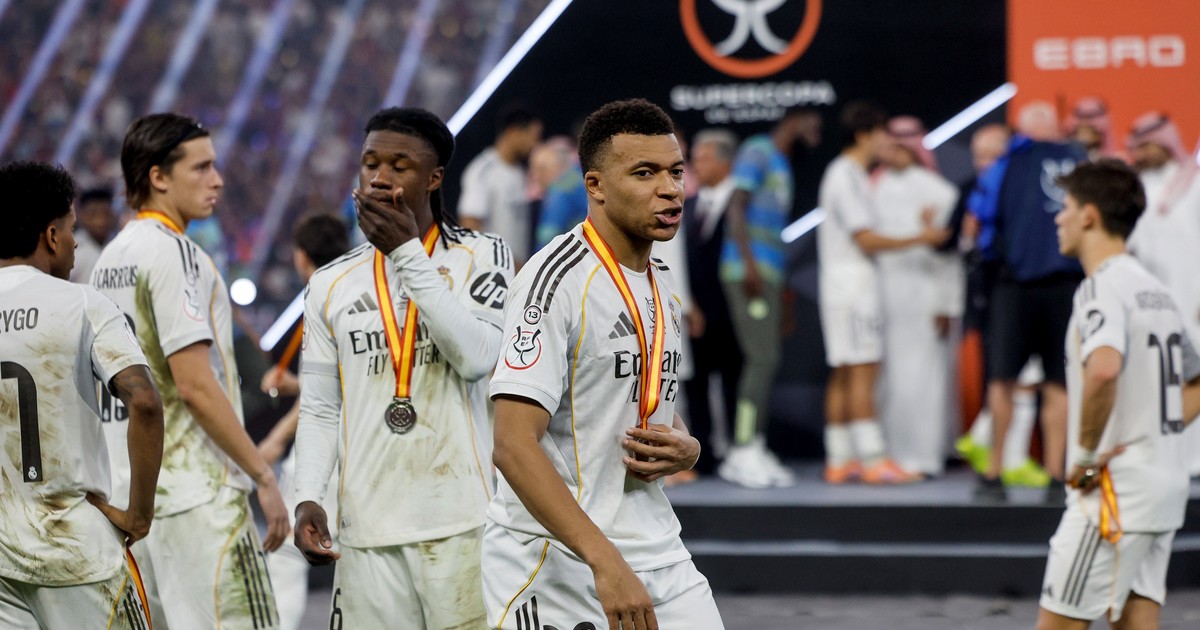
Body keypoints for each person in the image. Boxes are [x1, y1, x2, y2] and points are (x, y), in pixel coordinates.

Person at [485, 98, 722, 630]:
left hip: (657, 546)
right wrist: (605, 561)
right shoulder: (553, 281)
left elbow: (634, 401)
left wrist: (686, 445)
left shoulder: (662, 284)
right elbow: (513, 445)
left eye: (675, 172)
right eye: (645, 173)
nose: (670, 188)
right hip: (557, 559)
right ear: (595, 185)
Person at [293, 107, 510, 628]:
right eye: (370, 163)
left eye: (399, 165)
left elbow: (477, 358)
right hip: (367, 531)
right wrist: (307, 497)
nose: (379, 177)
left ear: (434, 178)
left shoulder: (483, 255)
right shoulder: (329, 282)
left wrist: (408, 253)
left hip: (462, 524)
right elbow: (320, 408)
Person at [93, 113, 289, 628]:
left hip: (133, 500)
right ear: (158, 177)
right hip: (199, 496)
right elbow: (194, 386)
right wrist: (262, 474)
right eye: (201, 167)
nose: (217, 180)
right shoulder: (177, 253)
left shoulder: (109, 258)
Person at [1037, 159, 1200, 630]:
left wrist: (1086, 456)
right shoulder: (1156, 290)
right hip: (1163, 489)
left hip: (1113, 495)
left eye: (1066, 207)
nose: (1059, 218)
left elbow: (1104, 369)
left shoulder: (1101, 289)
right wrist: (1154, 433)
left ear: (1089, 216)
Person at [0, 161, 162, 628]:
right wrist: (138, 516)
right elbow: (145, 402)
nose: (76, 243)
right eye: (71, 229)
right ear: (51, 236)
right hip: (76, 549)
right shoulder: (83, 303)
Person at [816, 101, 946, 485]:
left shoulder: (851, 174)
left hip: (844, 286)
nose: (887, 143)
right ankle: (873, 459)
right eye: (881, 135)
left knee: (844, 371)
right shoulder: (845, 176)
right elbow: (867, 239)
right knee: (862, 371)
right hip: (854, 288)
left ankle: (840, 459)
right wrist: (922, 237)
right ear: (863, 136)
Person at [970, 101, 1087, 503]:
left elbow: (981, 216)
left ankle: (993, 475)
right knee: (1058, 382)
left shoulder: (1007, 163)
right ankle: (1056, 476)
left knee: (1002, 380)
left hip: (1014, 285)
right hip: (1066, 285)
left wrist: (992, 259)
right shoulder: (1080, 162)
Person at [715, 107, 821, 488]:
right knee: (761, 359)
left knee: (767, 360)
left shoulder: (782, 163)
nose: (816, 132)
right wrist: (750, 265)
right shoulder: (758, 150)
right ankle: (742, 449)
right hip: (748, 272)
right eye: (812, 124)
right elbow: (736, 205)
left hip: (770, 274)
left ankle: (754, 445)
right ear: (793, 119)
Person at [258, 213, 350, 630]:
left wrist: (277, 438)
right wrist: (295, 384)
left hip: (324, 452)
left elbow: (324, 398)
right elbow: (341, 381)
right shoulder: (356, 289)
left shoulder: (321, 296)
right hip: (364, 449)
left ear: (301, 257)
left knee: (285, 553)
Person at [872, 116, 961, 477]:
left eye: (907, 141)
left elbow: (949, 257)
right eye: (893, 140)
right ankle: (887, 455)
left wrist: (946, 304)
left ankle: (923, 457)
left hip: (924, 300)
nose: (899, 148)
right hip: (880, 300)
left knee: (922, 379)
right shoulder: (872, 189)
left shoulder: (938, 191)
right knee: (886, 381)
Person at [1124, 112, 1200, 476]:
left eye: (1148, 146)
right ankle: (1162, 456)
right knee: (1152, 379)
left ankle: (1194, 460)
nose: (1141, 154)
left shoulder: (1195, 184)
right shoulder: (1136, 189)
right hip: (1149, 304)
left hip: (1192, 300)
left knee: (1194, 377)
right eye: (1138, 147)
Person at [682, 128, 743, 477]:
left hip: (737, 312)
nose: (696, 165)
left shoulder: (745, 202)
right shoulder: (687, 207)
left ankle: (742, 449)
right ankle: (703, 454)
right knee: (697, 385)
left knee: (738, 383)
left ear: (725, 162)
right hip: (697, 314)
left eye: (703, 158)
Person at [458, 105, 543, 265]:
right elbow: (470, 224)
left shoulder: (521, 173)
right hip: (492, 272)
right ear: (513, 132)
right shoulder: (483, 170)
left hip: (518, 273)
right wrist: (500, 265)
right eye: (533, 136)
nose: (534, 144)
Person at [533, 137, 589, 250]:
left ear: (558, 167)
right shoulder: (581, 177)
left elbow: (547, 238)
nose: (537, 177)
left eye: (542, 169)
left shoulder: (559, 190)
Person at [69, 186, 116, 283]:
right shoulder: (72, 249)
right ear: (81, 215)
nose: (100, 220)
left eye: (106, 213)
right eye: (93, 214)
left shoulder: (119, 245)